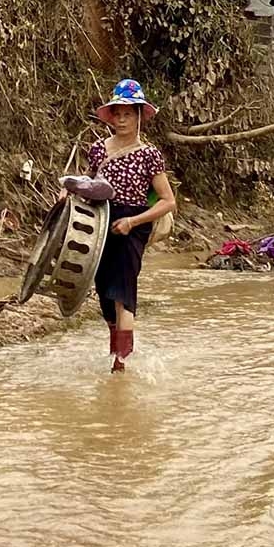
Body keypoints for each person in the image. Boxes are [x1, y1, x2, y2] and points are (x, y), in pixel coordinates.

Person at [73, 79, 176, 373]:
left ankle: (121, 365)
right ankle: (114, 350)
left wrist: (133, 222)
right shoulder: (97, 150)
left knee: (123, 293)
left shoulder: (148, 155)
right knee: (105, 291)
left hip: (133, 225)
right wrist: (69, 190)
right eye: (117, 113)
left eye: (128, 114)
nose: (121, 119)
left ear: (139, 116)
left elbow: (168, 202)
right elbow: (89, 184)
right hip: (101, 223)